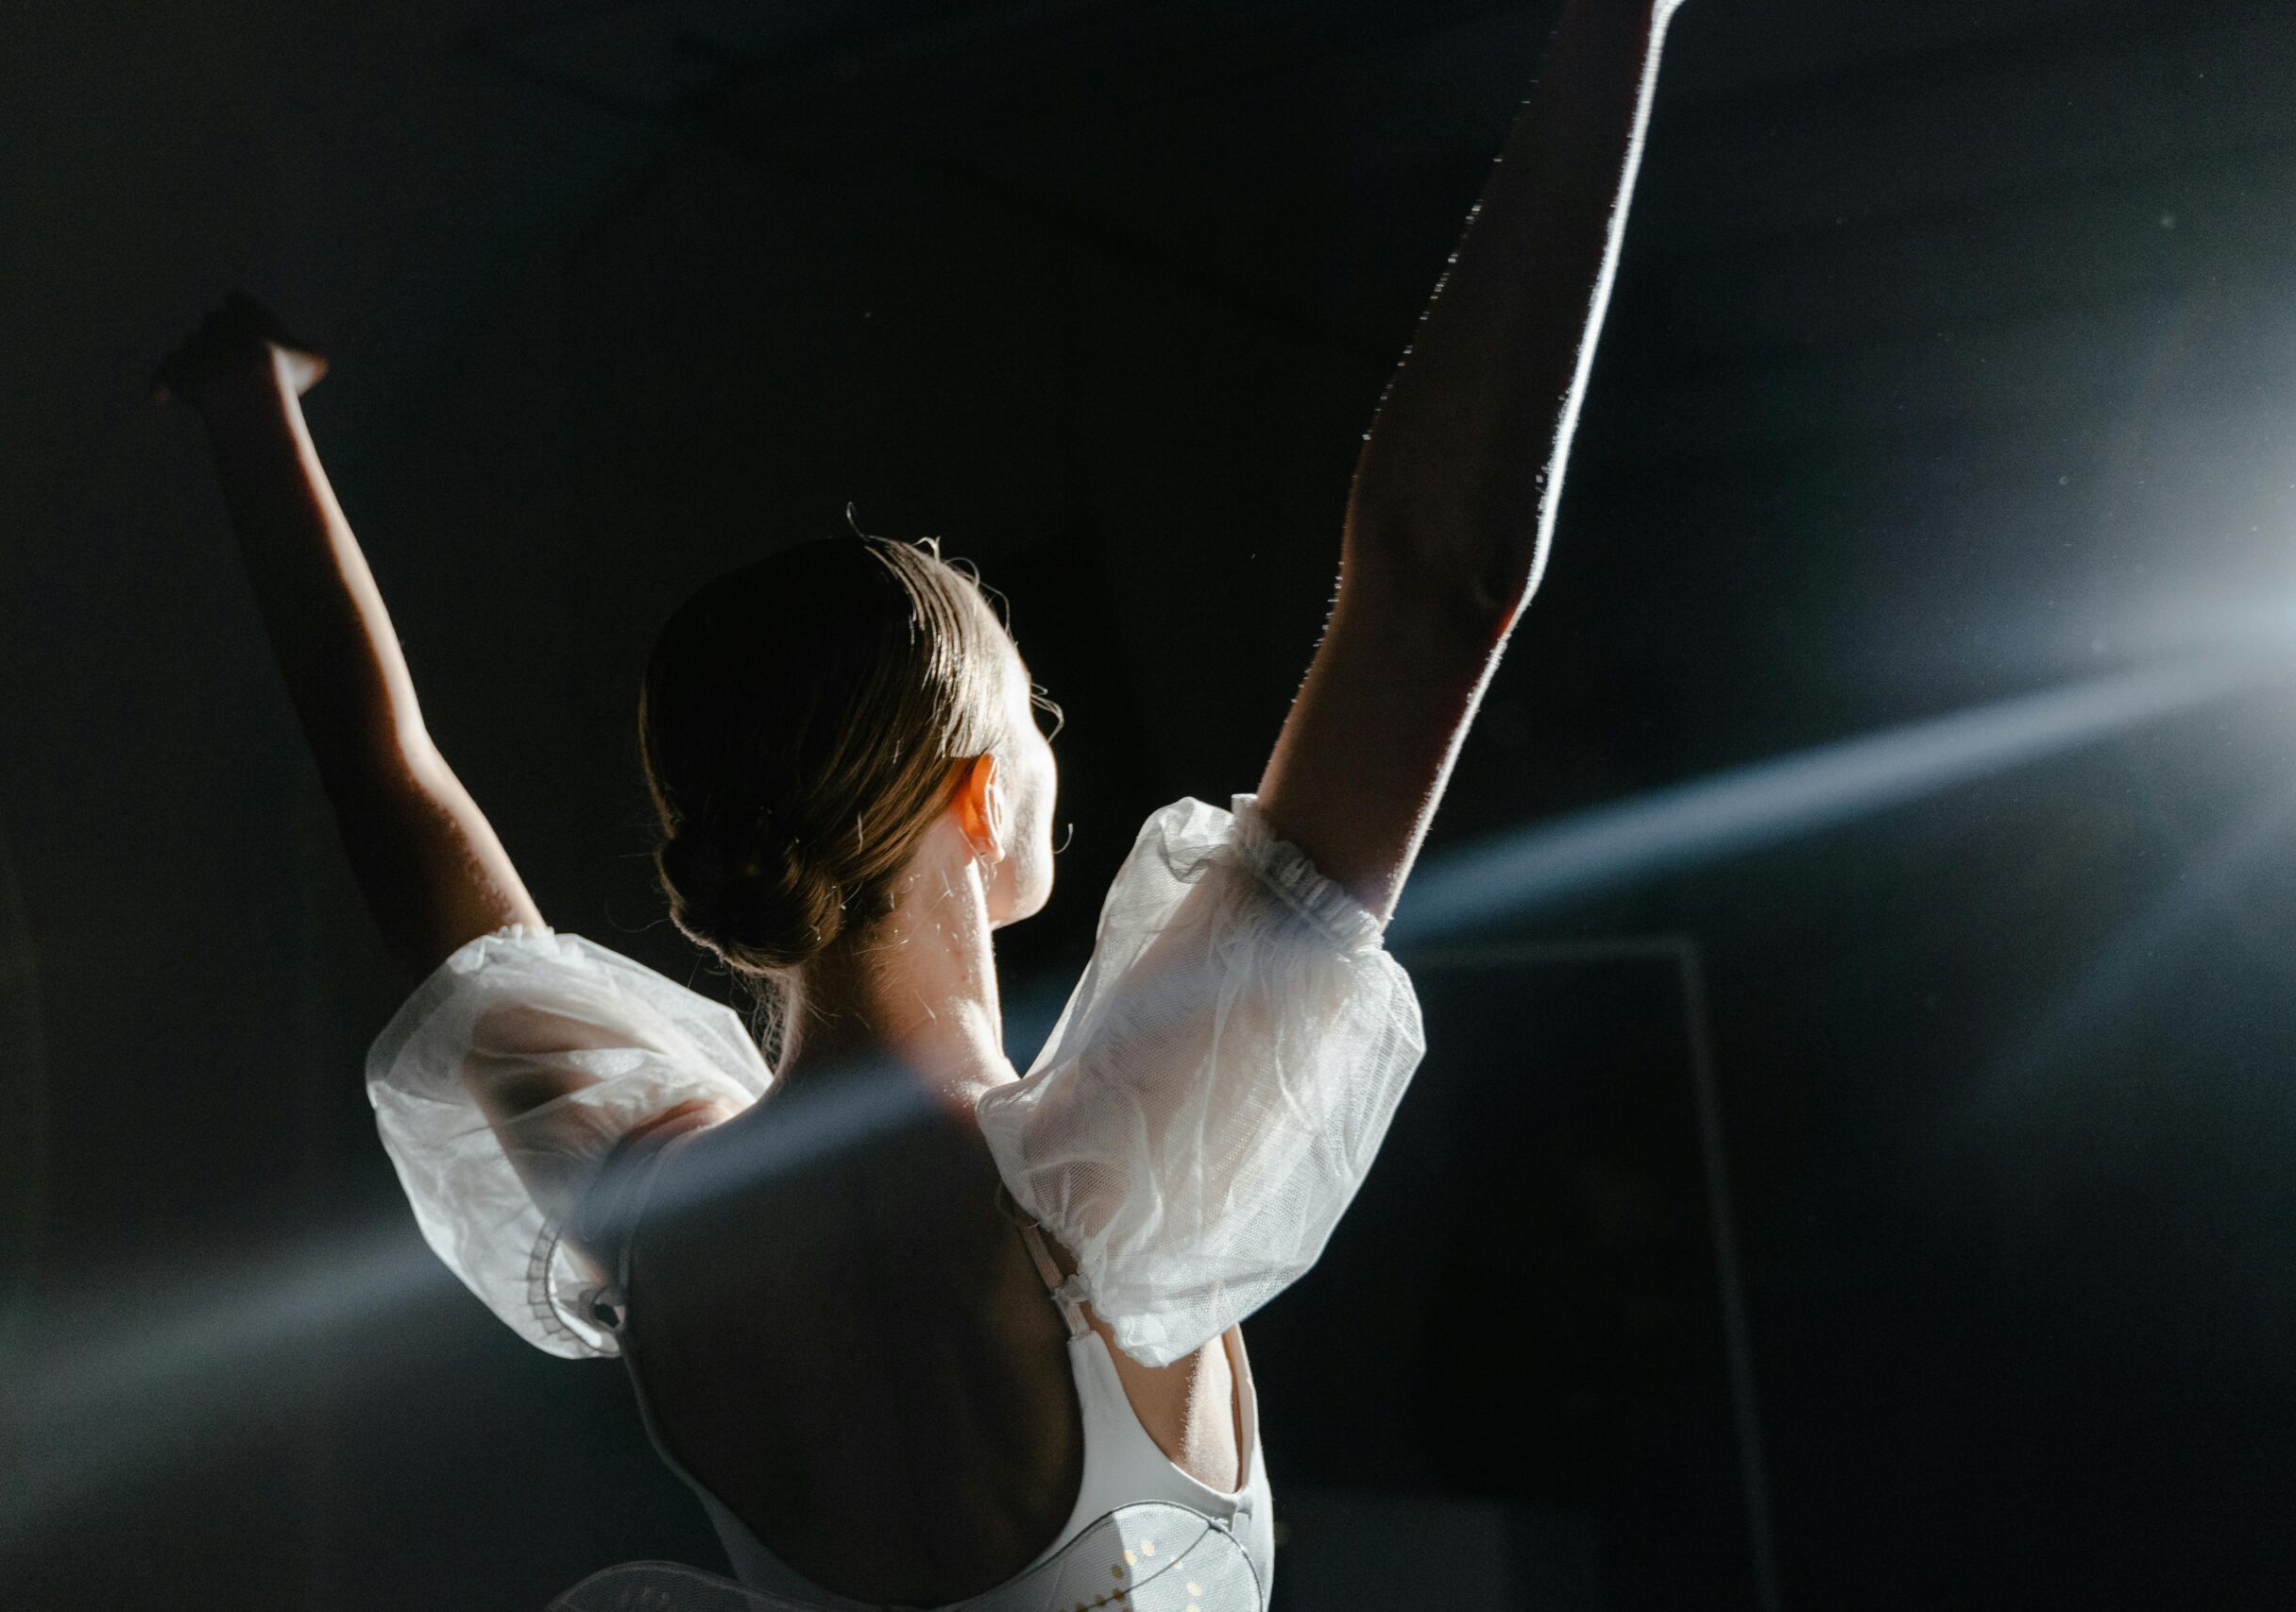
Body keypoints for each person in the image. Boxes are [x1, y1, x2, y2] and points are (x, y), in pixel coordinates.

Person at [153, 3, 1692, 1605]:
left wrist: (249, 424)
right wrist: (1618, 29)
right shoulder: (1109, 1189)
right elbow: (1435, 583)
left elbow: (391, 792)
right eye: (1034, 713)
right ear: (976, 789)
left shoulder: (648, 1212)